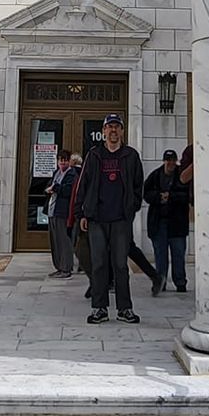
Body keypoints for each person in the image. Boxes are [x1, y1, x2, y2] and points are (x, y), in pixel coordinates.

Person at [76, 113, 143, 324]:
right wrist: (82, 213)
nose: (113, 131)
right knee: (98, 264)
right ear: (103, 131)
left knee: (121, 265)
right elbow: (83, 184)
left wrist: (131, 210)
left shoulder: (131, 156)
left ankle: (124, 309)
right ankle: (99, 308)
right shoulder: (94, 155)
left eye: (117, 127)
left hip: (120, 219)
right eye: (109, 127)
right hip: (97, 219)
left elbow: (137, 185)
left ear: (122, 131)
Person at [142, 147, 191, 295]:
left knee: (178, 254)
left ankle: (180, 282)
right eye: (168, 160)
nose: (170, 163)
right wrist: (159, 197)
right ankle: (160, 281)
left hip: (177, 222)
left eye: (172, 160)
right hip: (159, 222)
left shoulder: (181, 175)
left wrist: (170, 197)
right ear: (164, 161)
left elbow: (186, 195)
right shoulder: (155, 175)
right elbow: (146, 193)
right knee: (160, 255)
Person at [47, 148, 79, 277]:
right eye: (60, 160)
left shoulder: (71, 174)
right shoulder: (56, 173)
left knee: (64, 241)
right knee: (55, 241)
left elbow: (67, 191)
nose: (63, 163)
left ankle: (66, 268)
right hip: (52, 210)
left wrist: (55, 188)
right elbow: (50, 185)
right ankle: (59, 266)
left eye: (65, 160)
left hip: (63, 212)